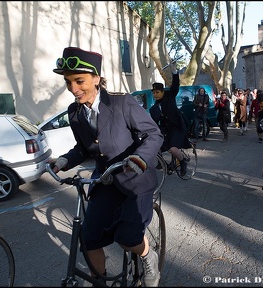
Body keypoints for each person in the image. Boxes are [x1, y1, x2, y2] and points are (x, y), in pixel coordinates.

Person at [49, 47, 163, 287]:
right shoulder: (75, 113)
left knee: (127, 238)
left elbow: (153, 134)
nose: (73, 89)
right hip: (106, 182)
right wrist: (63, 161)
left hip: (135, 181)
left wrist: (140, 158)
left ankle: (148, 256)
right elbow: (83, 148)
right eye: (68, 82)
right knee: (89, 238)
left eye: (79, 81)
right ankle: (99, 282)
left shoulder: (122, 103)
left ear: (97, 79)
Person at [149, 62, 190, 176]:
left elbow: (175, 85)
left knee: (173, 149)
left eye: (157, 92)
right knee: (155, 145)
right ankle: (162, 163)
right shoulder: (154, 108)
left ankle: (183, 162)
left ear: (163, 92)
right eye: (154, 93)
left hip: (177, 127)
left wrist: (174, 71)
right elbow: (154, 122)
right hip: (166, 130)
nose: (155, 95)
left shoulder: (170, 96)